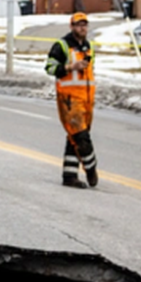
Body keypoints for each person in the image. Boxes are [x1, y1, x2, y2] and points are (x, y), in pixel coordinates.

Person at [44, 12, 99, 189]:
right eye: (78, 25)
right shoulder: (62, 45)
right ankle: (91, 168)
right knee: (80, 136)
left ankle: (69, 175)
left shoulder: (88, 47)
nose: (82, 28)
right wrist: (70, 67)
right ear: (72, 26)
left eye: (84, 25)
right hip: (69, 99)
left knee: (73, 138)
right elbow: (50, 68)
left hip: (86, 99)